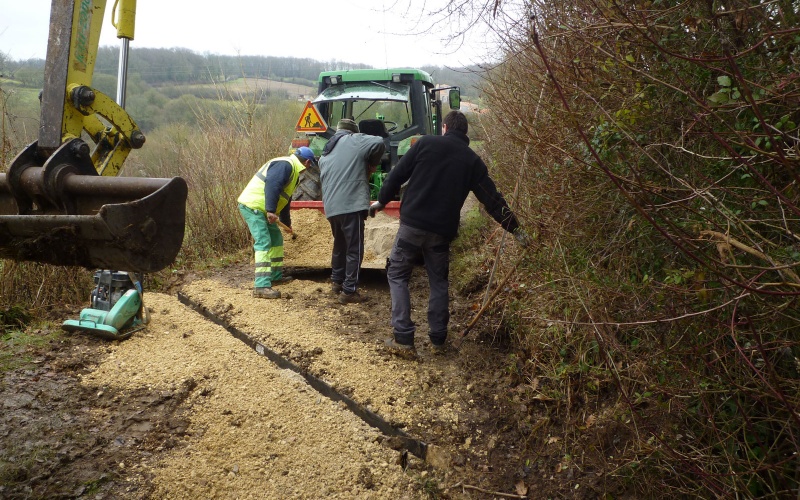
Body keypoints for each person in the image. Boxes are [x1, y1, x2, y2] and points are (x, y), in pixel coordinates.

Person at [370, 110, 530, 356]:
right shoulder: (472, 161)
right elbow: (492, 200)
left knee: (398, 275)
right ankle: (438, 339)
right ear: (464, 133)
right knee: (438, 282)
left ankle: (403, 338)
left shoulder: (425, 143)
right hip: (441, 233)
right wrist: (515, 229)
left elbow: (397, 175)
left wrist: (381, 201)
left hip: (412, 225)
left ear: (444, 128)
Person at [320, 118, 386, 304]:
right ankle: (349, 291)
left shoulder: (326, 151)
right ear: (352, 131)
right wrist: (372, 164)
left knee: (339, 245)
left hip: (332, 207)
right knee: (354, 248)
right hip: (351, 205)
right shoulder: (354, 140)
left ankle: (336, 281)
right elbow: (379, 142)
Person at [237, 147, 318, 299]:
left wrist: (287, 223)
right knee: (264, 241)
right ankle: (261, 285)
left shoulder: (292, 170)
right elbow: (272, 186)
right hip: (254, 206)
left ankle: (275, 276)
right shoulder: (285, 165)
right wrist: (270, 210)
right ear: (307, 162)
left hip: (263, 208)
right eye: (310, 165)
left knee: (276, 239)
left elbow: (285, 199)